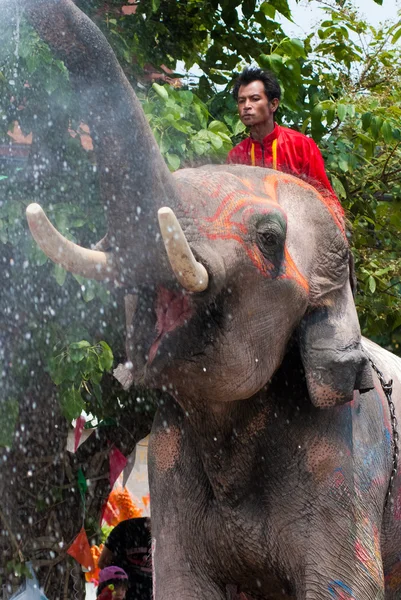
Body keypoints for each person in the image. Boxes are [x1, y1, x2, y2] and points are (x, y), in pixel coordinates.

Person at [227, 66, 336, 197]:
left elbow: (327, 200)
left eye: (255, 99)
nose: (246, 106)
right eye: (241, 101)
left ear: (273, 104)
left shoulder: (301, 146)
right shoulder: (235, 156)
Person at [98, 517, 152, 600]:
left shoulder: (173, 535)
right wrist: (116, 586)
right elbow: (102, 562)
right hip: (123, 592)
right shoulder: (125, 529)